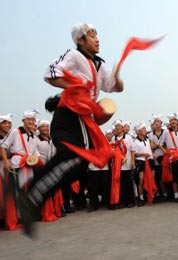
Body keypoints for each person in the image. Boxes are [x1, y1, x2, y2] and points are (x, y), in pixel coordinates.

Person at [7, 23, 124, 235]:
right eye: (91, 35)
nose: (97, 39)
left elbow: (115, 87)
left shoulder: (99, 66)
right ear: (80, 40)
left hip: (82, 118)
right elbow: (50, 73)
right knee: (74, 156)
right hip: (69, 114)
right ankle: (29, 191)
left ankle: (31, 193)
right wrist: (75, 88)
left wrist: (118, 74)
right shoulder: (73, 55)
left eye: (97, 35)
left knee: (78, 166)